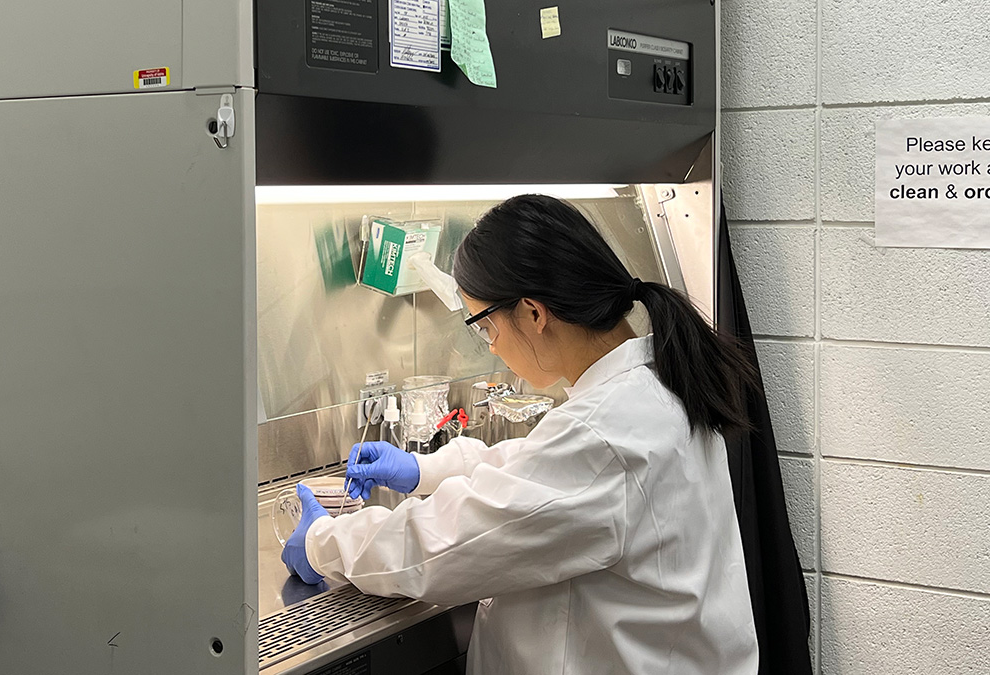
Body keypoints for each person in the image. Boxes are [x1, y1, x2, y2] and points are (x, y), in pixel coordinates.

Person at [281, 194, 760, 674]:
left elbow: (442, 545)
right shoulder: (652, 383)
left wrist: (325, 541)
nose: (490, 346)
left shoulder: (606, 434)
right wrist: (424, 469)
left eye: (485, 326)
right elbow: (539, 468)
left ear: (533, 313)